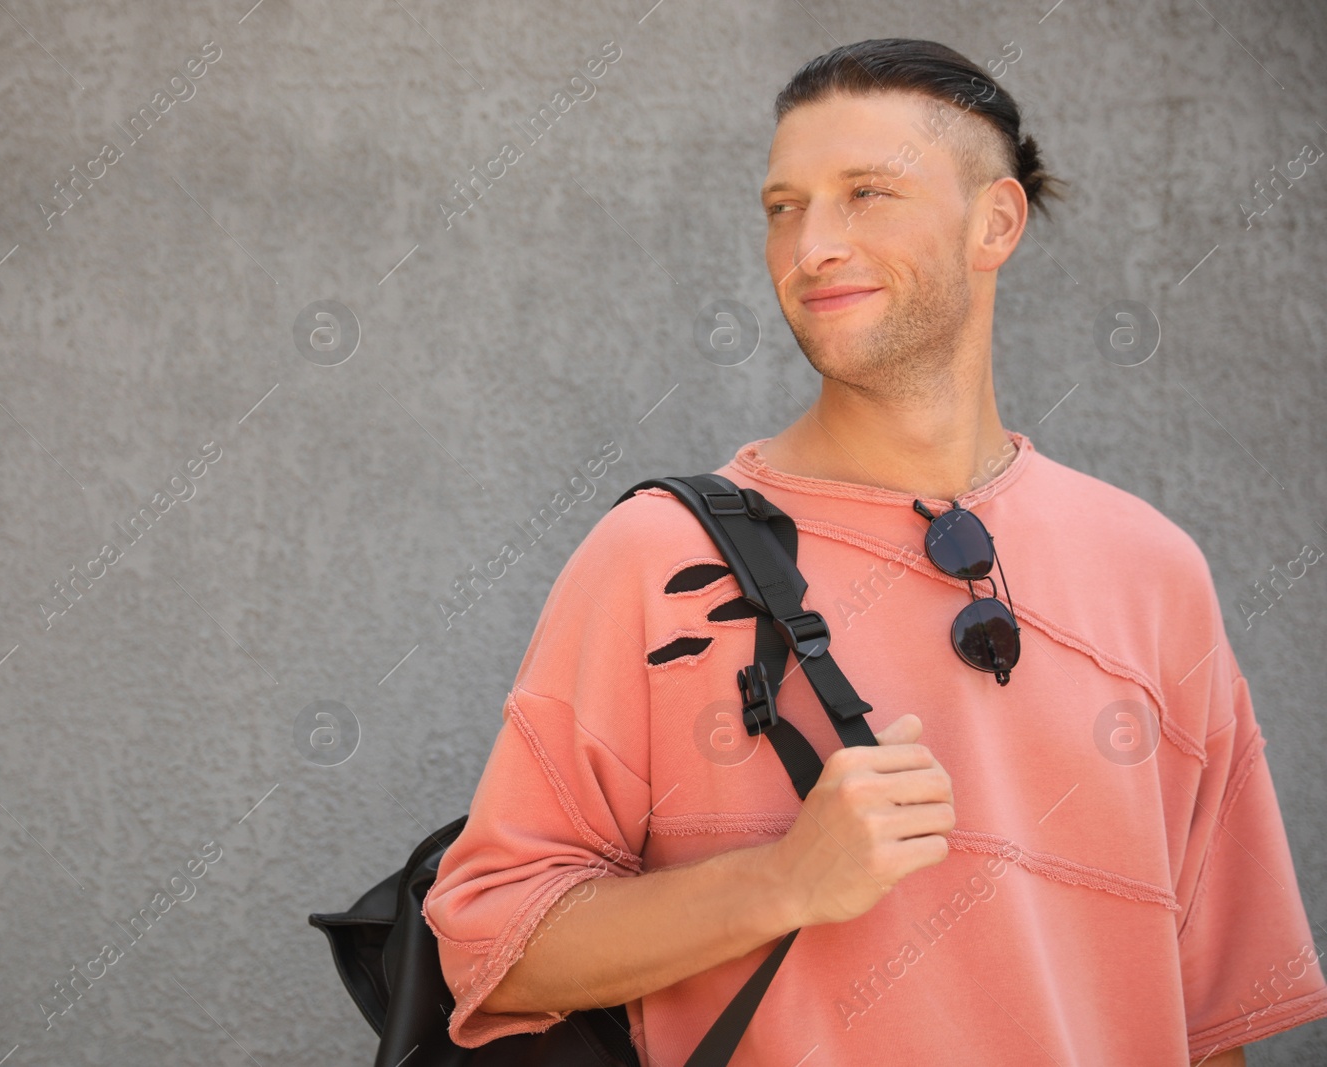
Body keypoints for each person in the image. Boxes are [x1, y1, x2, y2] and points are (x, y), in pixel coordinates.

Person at [421, 38, 1325, 1066]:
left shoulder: (1152, 571)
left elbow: (1206, 1019)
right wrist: (781, 881)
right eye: (783, 206)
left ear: (994, 222)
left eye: (866, 193)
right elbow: (487, 941)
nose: (811, 245)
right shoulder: (654, 555)